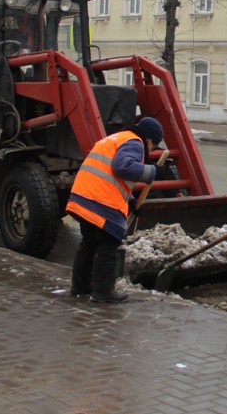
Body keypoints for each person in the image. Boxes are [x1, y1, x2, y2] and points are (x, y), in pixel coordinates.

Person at [66, 116, 163, 304]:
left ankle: (80, 287)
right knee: (108, 243)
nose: (151, 150)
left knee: (89, 243)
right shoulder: (135, 143)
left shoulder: (118, 138)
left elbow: (110, 177)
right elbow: (122, 167)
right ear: (149, 139)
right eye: (153, 145)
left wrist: (131, 201)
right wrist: (150, 172)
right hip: (100, 200)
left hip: (84, 195)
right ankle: (103, 292)